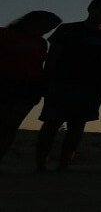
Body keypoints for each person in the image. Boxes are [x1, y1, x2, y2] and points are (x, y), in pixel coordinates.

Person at [36, 0, 101, 171]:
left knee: (77, 125)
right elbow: (52, 57)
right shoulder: (67, 29)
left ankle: (64, 164)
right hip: (62, 83)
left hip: (92, 86)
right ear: (91, 9)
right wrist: (46, 81)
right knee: (52, 123)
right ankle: (41, 164)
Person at [0, 11, 63, 166]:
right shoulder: (5, 34)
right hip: (4, 83)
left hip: (28, 88)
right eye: (45, 26)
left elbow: (40, 66)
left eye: (50, 28)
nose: (46, 30)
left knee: (11, 126)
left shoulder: (41, 43)